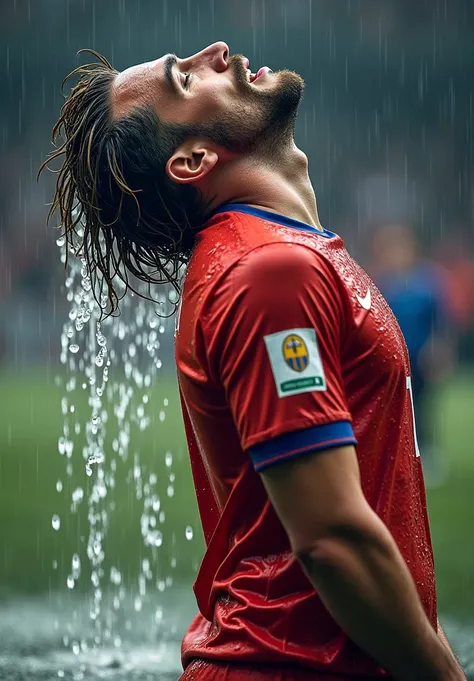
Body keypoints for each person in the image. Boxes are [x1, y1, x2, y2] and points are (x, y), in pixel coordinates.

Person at [41, 42, 466, 681]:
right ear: (193, 160)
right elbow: (331, 540)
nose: (214, 52)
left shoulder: (275, 256)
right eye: (184, 79)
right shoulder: (268, 273)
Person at [371, 225, 453, 486]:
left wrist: (439, 350)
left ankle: (427, 453)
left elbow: (439, 322)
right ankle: (400, 455)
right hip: (395, 361)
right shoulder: (384, 282)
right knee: (397, 407)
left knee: (423, 406)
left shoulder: (427, 282)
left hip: (421, 358)